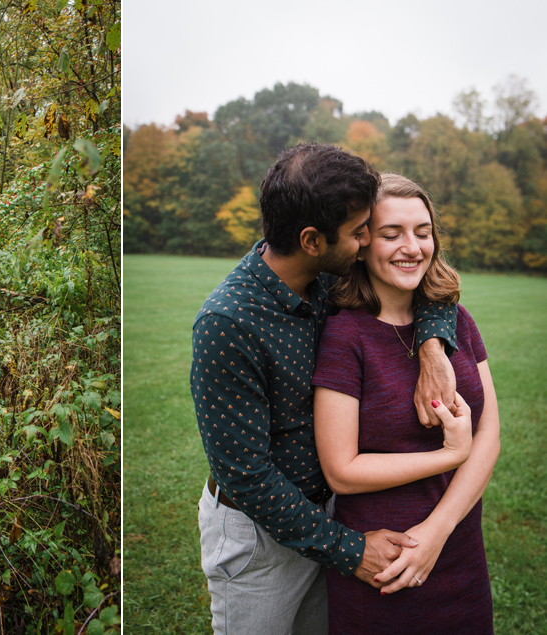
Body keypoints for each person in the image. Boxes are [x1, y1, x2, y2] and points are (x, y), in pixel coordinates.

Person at [191, 143, 459, 635]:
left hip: (330, 515)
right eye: (360, 232)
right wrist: (351, 551)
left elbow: (422, 281)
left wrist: (432, 345)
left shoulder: (328, 280)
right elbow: (246, 475)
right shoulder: (227, 324)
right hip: (258, 540)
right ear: (313, 239)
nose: (366, 243)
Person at [311, 174, 500, 634]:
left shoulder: (456, 321)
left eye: (423, 231)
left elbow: (489, 433)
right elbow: (341, 470)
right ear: (361, 243)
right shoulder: (345, 335)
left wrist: (438, 532)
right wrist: (449, 455)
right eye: (391, 234)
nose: (412, 247)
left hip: (459, 552)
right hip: (385, 563)